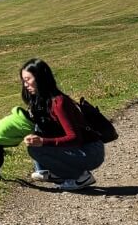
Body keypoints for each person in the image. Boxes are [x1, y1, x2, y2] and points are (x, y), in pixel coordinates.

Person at [19, 58, 103, 190]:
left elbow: (74, 138)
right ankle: (52, 172)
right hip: (78, 150)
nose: (25, 85)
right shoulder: (40, 103)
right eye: (23, 81)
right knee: (36, 131)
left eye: (28, 79)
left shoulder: (59, 103)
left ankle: (80, 176)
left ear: (40, 78)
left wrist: (43, 142)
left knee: (35, 148)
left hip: (90, 152)